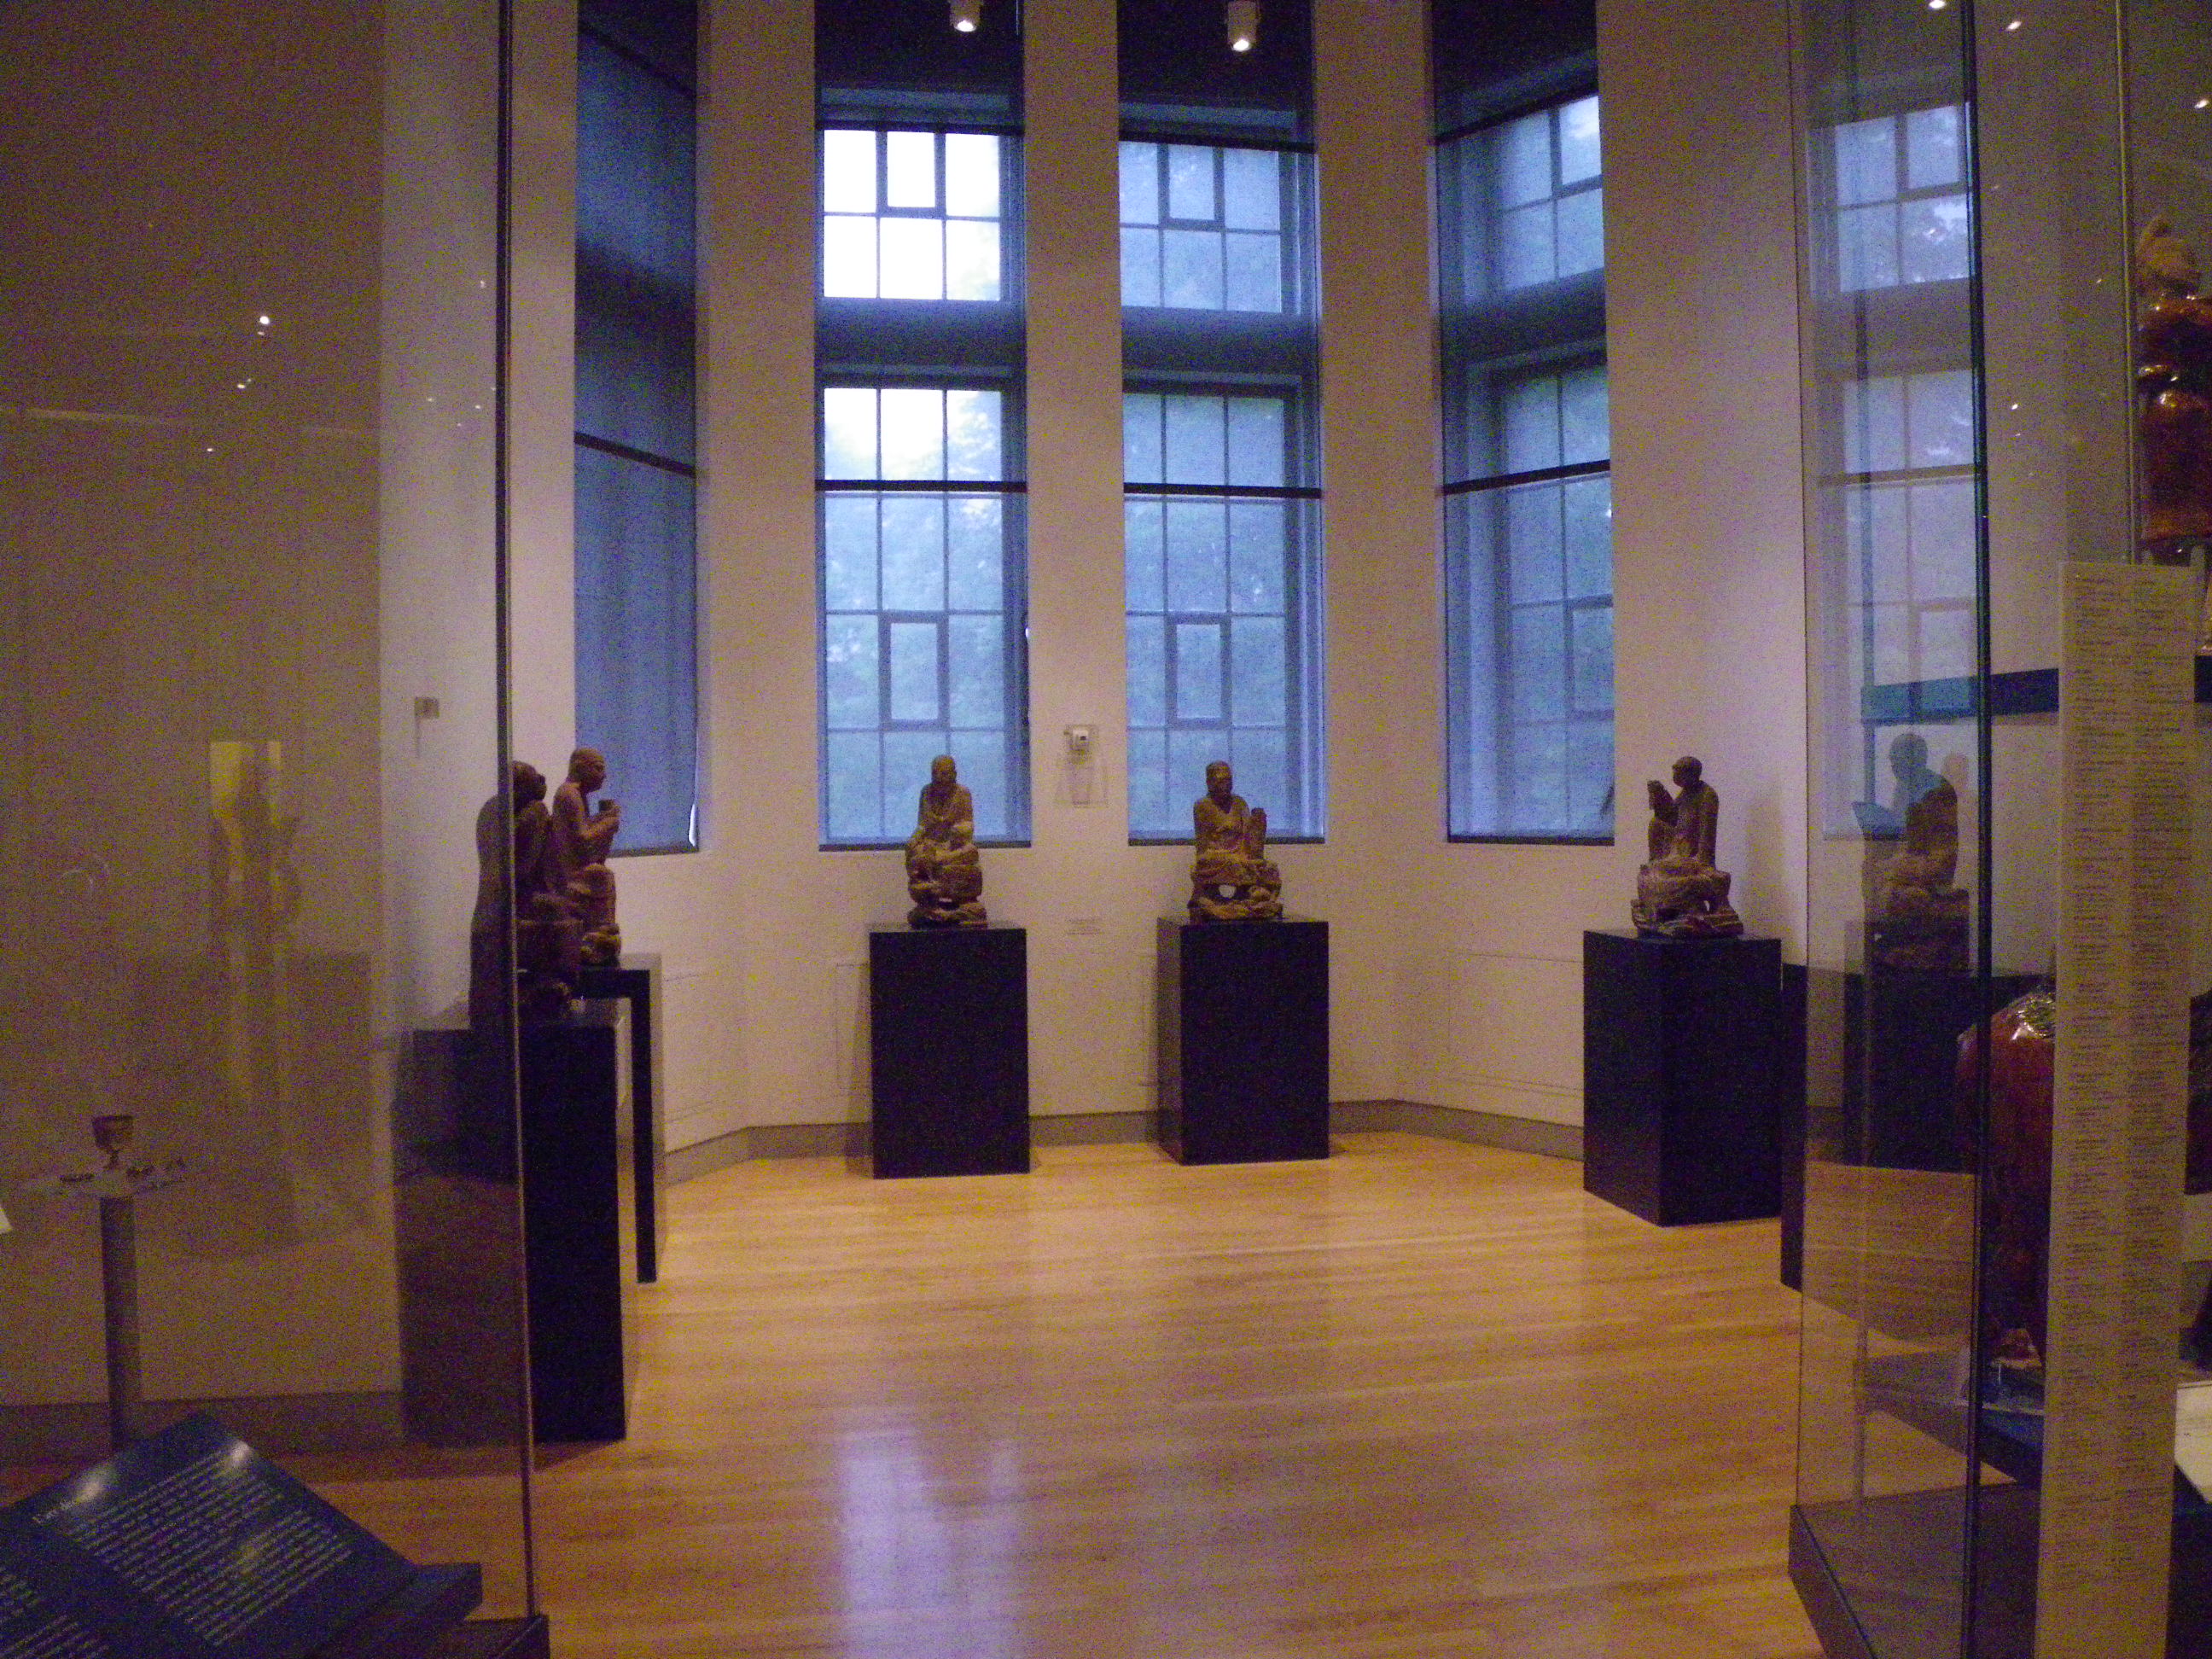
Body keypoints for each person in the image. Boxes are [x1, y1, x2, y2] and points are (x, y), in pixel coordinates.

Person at [550, 747, 621, 963]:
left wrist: (602, 818)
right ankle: (597, 935)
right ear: (580, 767)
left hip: (572, 866)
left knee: (601, 874)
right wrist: (608, 824)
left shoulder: (576, 794)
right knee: (601, 876)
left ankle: (601, 933)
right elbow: (582, 839)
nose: (603, 775)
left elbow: (580, 831)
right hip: (568, 872)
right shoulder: (569, 795)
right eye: (598, 768)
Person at [1189, 760, 1283, 923]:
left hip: (1240, 851)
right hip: (1215, 854)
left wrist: (1258, 822)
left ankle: (1258, 898)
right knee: (1234, 862)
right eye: (1220, 781)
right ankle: (1210, 901)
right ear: (1209, 782)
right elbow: (1203, 845)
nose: (1225, 785)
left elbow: (1248, 834)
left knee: (1266, 866)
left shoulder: (1239, 803)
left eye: (1228, 780)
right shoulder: (1202, 806)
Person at [905, 755, 987, 927]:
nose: (939, 777)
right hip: (932, 844)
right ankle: (929, 900)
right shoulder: (926, 792)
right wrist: (915, 839)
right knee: (916, 852)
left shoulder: (963, 793)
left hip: (954, 846)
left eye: (944, 773)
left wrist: (959, 830)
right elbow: (923, 825)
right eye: (935, 773)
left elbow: (969, 824)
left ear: (954, 774)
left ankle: (960, 899)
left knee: (971, 851)